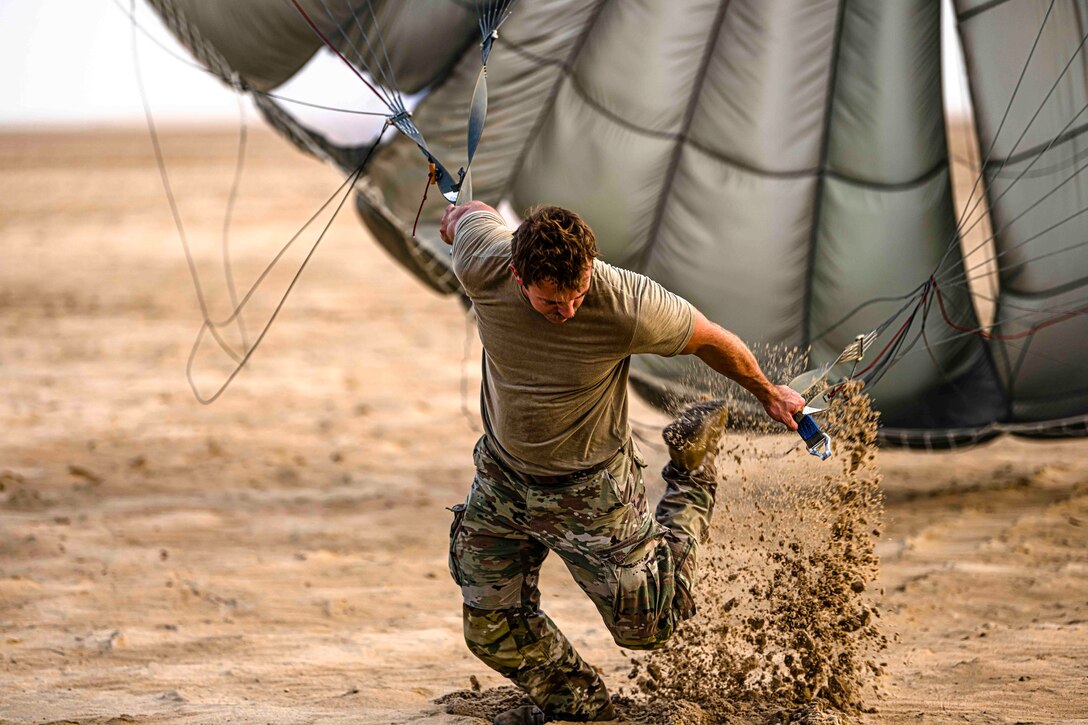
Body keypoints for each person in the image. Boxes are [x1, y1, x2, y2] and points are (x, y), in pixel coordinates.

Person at [439, 201, 804, 724]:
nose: (568, 311)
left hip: (590, 490)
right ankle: (585, 707)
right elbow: (465, 219)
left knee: (651, 626)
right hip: (502, 480)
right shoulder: (483, 262)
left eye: (578, 295)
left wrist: (769, 394)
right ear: (517, 276)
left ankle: (692, 470)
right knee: (490, 628)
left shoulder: (625, 303)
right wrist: (453, 212)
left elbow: (710, 338)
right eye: (551, 303)